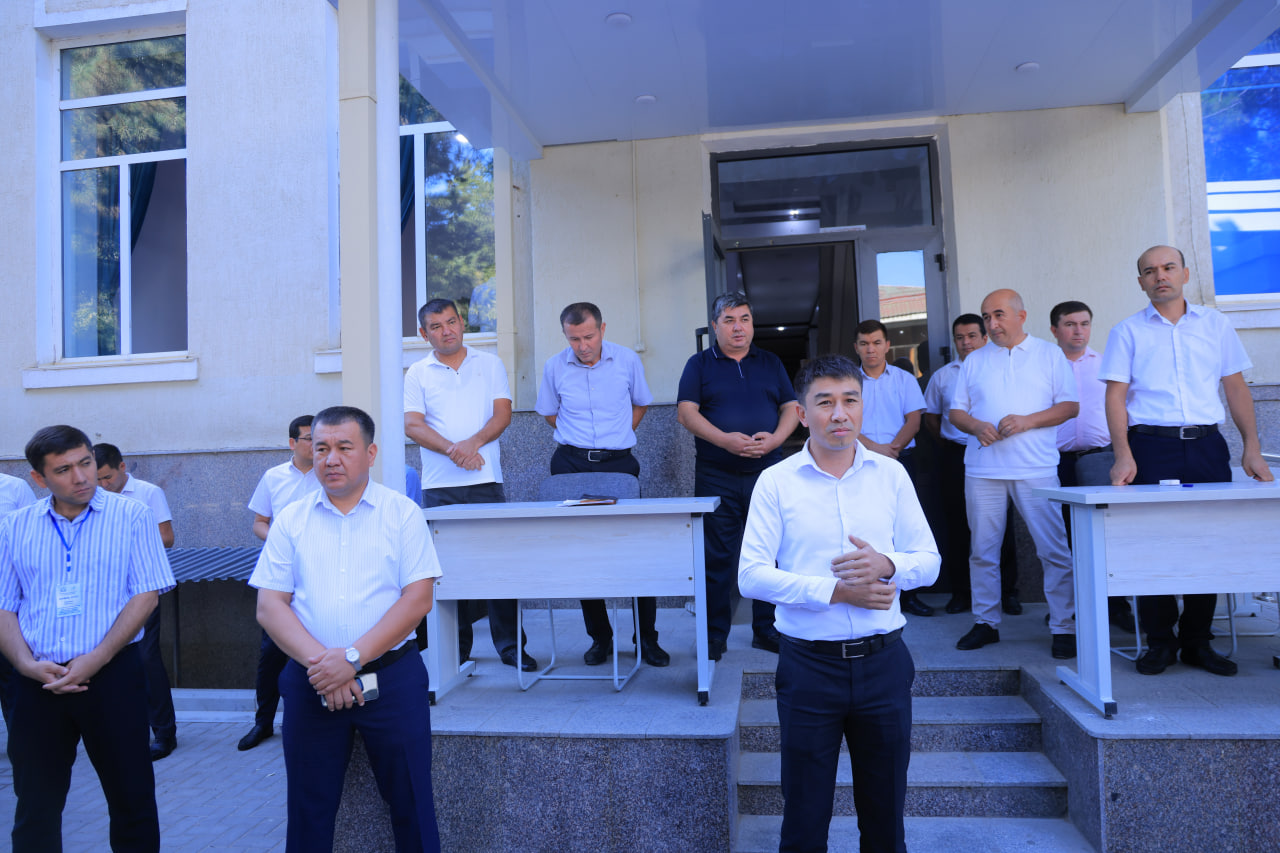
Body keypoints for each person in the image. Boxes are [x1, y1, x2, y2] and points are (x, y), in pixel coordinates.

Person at [739, 354, 939, 853]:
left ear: (862, 406)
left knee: (885, 819)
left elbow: (929, 560)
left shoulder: (891, 475)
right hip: (809, 669)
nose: (840, 414)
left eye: (850, 400)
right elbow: (751, 575)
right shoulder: (776, 481)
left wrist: (888, 564)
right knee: (804, 821)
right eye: (825, 402)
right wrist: (835, 591)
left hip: (884, 665)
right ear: (802, 413)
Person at [250, 406, 441, 852]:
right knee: (308, 811)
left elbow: (418, 600)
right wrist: (327, 667)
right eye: (321, 448)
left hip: (391, 682)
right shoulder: (290, 520)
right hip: (311, 680)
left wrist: (351, 659)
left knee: (412, 803)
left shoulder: (402, 514)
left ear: (370, 454)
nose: (330, 459)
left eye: (343, 447)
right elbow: (269, 606)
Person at [1100, 245, 1274, 676]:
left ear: (1185, 273)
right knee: (1154, 543)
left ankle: (1198, 641)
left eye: (1168, 267)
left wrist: (1251, 447)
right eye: (1150, 271)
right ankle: (1160, 641)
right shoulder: (1127, 332)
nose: (1160, 276)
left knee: (1207, 542)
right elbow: (1115, 397)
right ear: (1140, 281)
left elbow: (1235, 387)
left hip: (1206, 445)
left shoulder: (1216, 324)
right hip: (1150, 447)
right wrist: (1123, 454)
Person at [0, 425, 174, 852]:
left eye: (85, 463)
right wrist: (24, 664)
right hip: (38, 680)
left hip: (111, 676)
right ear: (39, 478)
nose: (81, 477)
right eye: (63, 470)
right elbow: (5, 605)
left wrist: (96, 658)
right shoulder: (15, 526)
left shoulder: (132, 515)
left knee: (131, 799)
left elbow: (146, 595)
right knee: (35, 805)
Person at [535, 302, 669, 667]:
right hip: (570, 464)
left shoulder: (626, 360)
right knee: (583, 553)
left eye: (589, 336)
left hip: (620, 463)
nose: (582, 346)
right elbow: (550, 413)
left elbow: (640, 404)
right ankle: (600, 638)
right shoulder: (554, 366)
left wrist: (616, 436)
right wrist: (580, 441)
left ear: (603, 329)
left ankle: (647, 638)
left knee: (634, 550)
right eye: (574, 339)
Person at [404, 298, 534, 672]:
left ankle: (511, 646)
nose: (446, 331)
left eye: (451, 322)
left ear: (462, 322)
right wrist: (454, 450)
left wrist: (471, 444)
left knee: (497, 566)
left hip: (485, 481)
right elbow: (412, 425)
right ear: (423, 334)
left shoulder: (489, 364)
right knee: (447, 572)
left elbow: (502, 414)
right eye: (436, 326)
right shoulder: (417, 373)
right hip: (439, 486)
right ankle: (455, 650)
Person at [950, 289, 1079, 659]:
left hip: (1036, 467)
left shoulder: (1049, 354)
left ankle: (1064, 626)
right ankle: (986, 622)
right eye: (986, 316)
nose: (991, 324)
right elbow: (956, 412)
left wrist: (1028, 421)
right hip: (982, 469)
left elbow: (1070, 406)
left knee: (1053, 550)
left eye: (998, 315)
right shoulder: (974, 360)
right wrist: (975, 426)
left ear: (1021, 316)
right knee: (982, 550)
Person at [676, 291, 798, 660]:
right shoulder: (699, 364)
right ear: (715, 326)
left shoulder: (770, 362)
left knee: (769, 552)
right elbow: (686, 413)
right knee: (717, 558)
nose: (738, 327)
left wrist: (775, 439)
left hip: (767, 472)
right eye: (729, 320)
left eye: (744, 319)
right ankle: (714, 636)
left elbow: (791, 407)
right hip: (717, 474)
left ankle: (767, 629)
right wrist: (725, 441)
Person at [1049, 301, 1133, 632]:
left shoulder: (1106, 365)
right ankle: (1069, 609)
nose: (1078, 331)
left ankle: (1117, 607)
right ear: (1055, 329)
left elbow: (1126, 408)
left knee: (1106, 535)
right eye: (1070, 324)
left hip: (1100, 459)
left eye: (1084, 324)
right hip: (1056, 461)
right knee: (1062, 537)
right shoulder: (1045, 366)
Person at [238, 415, 318, 752]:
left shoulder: (329, 474)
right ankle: (263, 722)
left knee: (318, 641)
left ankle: (313, 718)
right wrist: (281, 541)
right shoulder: (273, 477)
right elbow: (259, 522)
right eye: (309, 438)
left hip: (319, 570)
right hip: (281, 572)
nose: (316, 445)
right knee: (271, 651)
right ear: (292, 443)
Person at [95, 443, 178, 762]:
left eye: (107, 477)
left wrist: (122, 541)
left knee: (146, 656)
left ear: (122, 467)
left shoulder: (148, 493)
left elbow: (167, 538)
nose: (103, 485)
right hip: (105, 588)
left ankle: (164, 733)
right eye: (97, 479)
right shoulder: (92, 496)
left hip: (141, 586)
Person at [854, 319, 932, 618]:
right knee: (867, 525)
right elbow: (848, 422)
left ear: (887, 345)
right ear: (856, 347)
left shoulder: (904, 379)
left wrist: (893, 449)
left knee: (903, 527)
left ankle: (908, 595)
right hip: (860, 460)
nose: (870, 349)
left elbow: (914, 420)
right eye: (864, 343)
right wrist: (877, 449)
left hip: (901, 459)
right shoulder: (849, 380)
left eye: (876, 342)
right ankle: (869, 590)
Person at [0, 472, 36, 726]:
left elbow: (34, 540)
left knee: (10, 676)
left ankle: (20, 737)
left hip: (8, 599)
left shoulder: (14, 488)